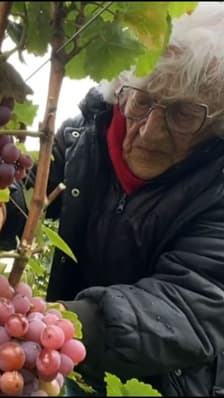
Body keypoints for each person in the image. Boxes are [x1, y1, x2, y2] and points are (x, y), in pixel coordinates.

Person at [2, 3, 224, 396]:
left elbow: (189, 307)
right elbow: (31, 191)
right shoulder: (87, 136)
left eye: (184, 115)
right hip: (64, 358)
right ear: (120, 93)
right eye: (142, 102)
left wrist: (54, 322)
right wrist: (4, 210)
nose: (151, 132)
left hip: (164, 381)